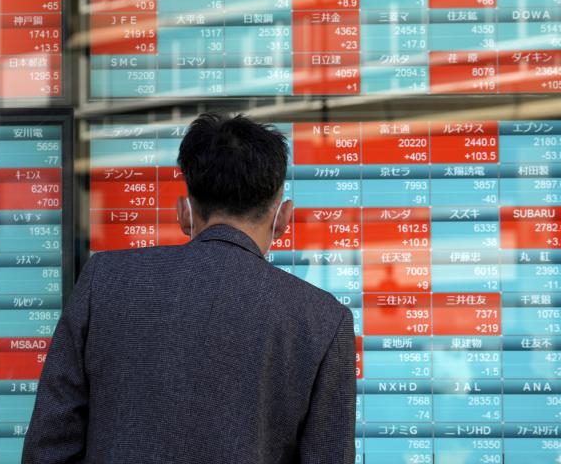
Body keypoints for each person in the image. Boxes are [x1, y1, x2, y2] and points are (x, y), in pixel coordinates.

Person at [22, 112, 356, 463]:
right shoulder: (323, 320)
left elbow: (49, 446)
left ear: (184, 212)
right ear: (283, 218)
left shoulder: (104, 280)